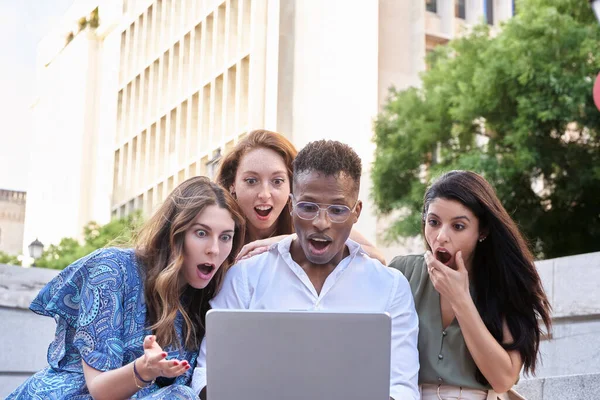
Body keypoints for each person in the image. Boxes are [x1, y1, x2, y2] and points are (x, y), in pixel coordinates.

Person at [193, 140, 420, 400]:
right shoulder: (246, 277)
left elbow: (402, 389)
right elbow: (207, 375)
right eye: (308, 207)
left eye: (337, 210)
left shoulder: (390, 286)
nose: (321, 223)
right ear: (291, 206)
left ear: (356, 212)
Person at [7, 176, 245, 400]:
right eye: (201, 233)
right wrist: (144, 369)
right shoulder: (111, 269)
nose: (214, 249)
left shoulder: (209, 300)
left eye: (225, 237)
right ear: (174, 233)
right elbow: (98, 388)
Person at [389, 170, 552, 400]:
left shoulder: (503, 282)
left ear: (482, 230)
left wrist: (460, 298)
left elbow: (503, 379)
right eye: (434, 222)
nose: (441, 236)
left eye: (458, 226)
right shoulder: (402, 273)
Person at [216, 129, 386, 263]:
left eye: (277, 181)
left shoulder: (310, 219)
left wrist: (288, 243)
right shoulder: (217, 227)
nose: (264, 194)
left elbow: (378, 258)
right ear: (232, 184)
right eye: (252, 181)